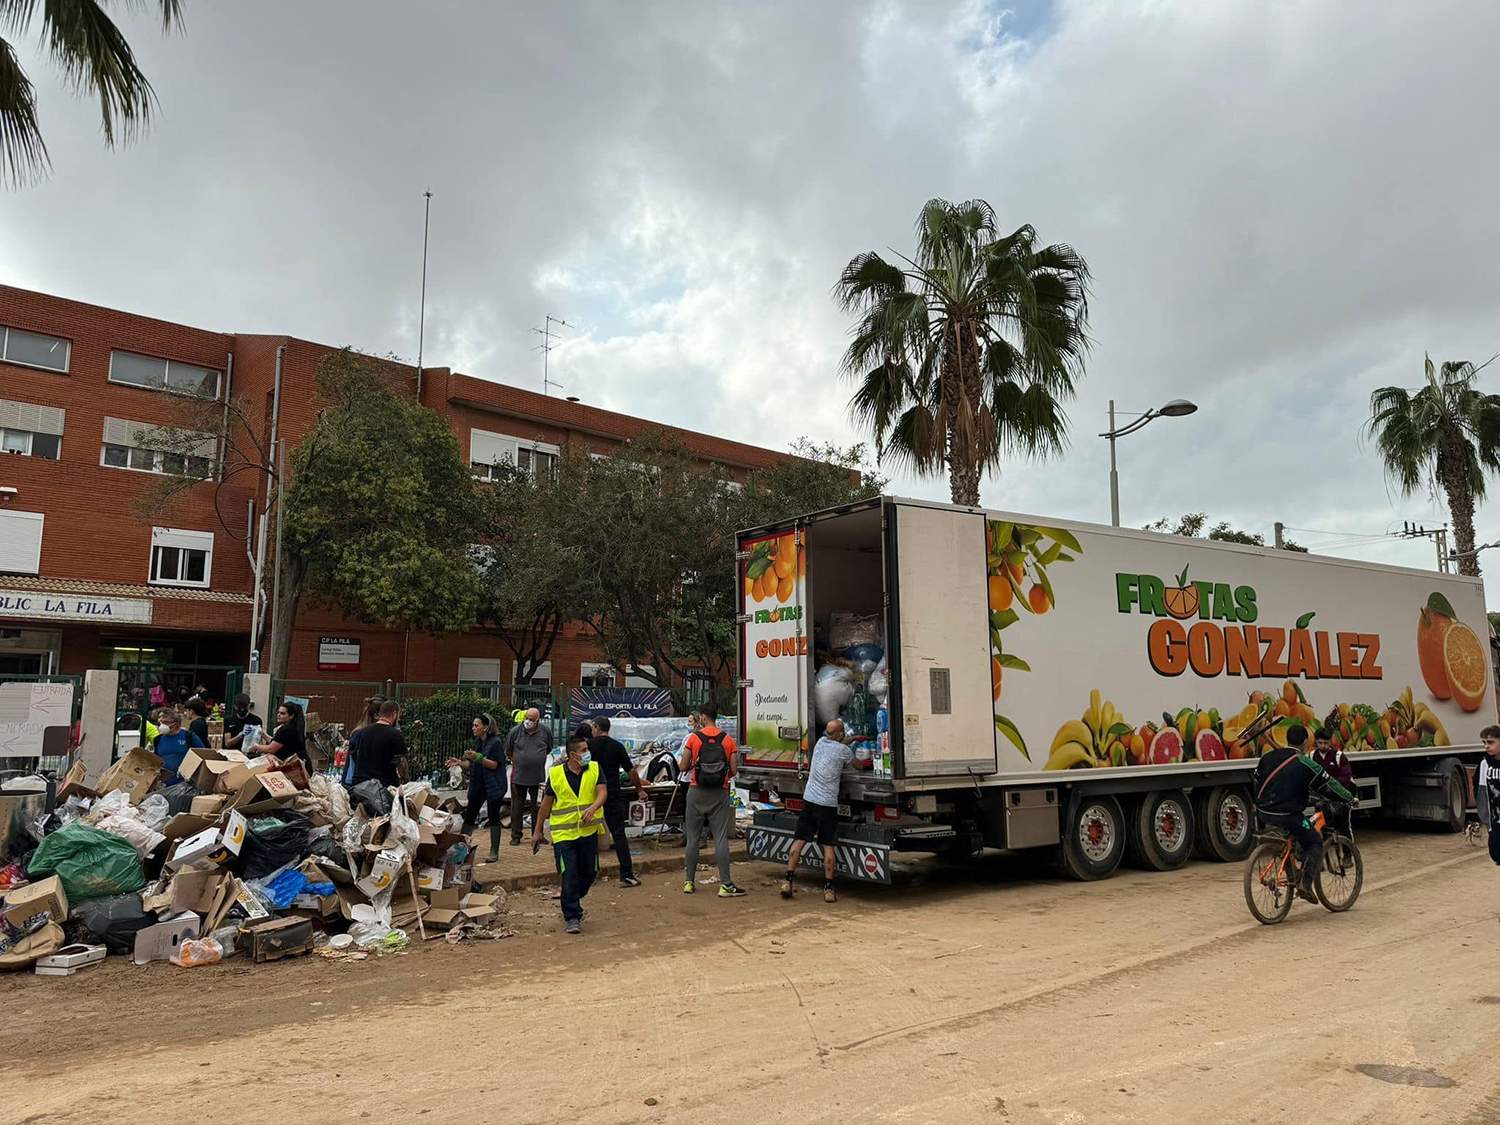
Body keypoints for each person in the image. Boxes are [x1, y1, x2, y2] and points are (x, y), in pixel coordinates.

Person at [1253, 725, 1353, 901]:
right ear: (1306, 742)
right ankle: (1305, 885)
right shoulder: (1305, 762)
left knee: (1296, 834)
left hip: (1263, 811)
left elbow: (1256, 778)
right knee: (1314, 841)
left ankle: (1292, 865)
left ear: (1287, 739)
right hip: (1287, 815)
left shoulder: (1267, 757)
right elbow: (1328, 784)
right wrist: (1348, 797)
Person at [532, 733, 608, 934]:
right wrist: (538, 830)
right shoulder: (556, 775)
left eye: (587, 749)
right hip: (563, 835)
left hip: (588, 832)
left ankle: (574, 895)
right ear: (572, 755)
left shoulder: (594, 768)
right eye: (583, 750)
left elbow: (602, 792)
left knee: (589, 873)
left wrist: (592, 808)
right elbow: (545, 805)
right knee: (569, 874)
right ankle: (572, 916)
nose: (587, 753)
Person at [780, 719, 854, 904]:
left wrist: (849, 740)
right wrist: (853, 745)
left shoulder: (821, 743)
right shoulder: (844, 752)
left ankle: (788, 881)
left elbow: (835, 744)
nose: (844, 734)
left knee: (799, 841)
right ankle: (829, 888)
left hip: (809, 800)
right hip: (827, 805)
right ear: (838, 734)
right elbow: (857, 764)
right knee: (828, 846)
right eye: (842, 731)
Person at [678, 705, 745, 897]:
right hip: (720, 793)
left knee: (693, 838)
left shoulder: (694, 738)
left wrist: (693, 764)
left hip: (696, 791)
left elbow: (683, 767)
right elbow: (733, 770)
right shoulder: (727, 740)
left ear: (703, 718)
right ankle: (726, 885)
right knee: (721, 838)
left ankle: (689, 882)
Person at [588, 716, 649, 887]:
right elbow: (631, 771)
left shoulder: (588, 746)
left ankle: (590, 874)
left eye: (593, 727)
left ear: (597, 727)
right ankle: (626, 874)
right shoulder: (617, 746)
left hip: (592, 795)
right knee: (619, 834)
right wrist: (639, 789)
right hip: (612, 793)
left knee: (589, 835)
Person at [449, 713, 508, 862]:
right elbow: (472, 764)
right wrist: (460, 763)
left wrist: (478, 757)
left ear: (486, 727)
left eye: (477, 725)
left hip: (493, 784)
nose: (473, 728)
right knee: (470, 814)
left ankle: (494, 851)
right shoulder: (478, 742)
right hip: (478, 783)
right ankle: (460, 848)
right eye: (473, 725)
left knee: (493, 815)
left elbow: (494, 764)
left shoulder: (495, 743)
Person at [505, 707, 553, 846]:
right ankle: (515, 835)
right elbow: (508, 750)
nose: (528, 721)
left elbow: (548, 748)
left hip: (537, 777)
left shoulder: (545, 731)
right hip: (518, 776)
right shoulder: (515, 732)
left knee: (537, 807)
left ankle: (537, 834)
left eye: (531, 719)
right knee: (516, 808)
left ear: (537, 720)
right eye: (526, 718)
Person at [353, 700, 408, 787]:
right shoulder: (395, 734)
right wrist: (405, 779)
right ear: (394, 713)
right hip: (384, 785)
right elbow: (401, 762)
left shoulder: (363, 732)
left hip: (362, 785)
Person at [151, 709, 204, 780]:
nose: (162, 725)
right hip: (164, 784)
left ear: (176, 724)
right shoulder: (158, 739)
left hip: (186, 783)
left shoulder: (189, 737)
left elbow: (203, 754)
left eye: (165, 722)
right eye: (160, 722)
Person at [257, 700, 311, 770]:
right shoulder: (293, 727)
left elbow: (271, 749)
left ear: (291, 716)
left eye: (282, 713)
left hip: (296, 768)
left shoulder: (286, 729)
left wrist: (256, 746)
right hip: (300, 766)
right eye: (278, 712)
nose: (278, 715)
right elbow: (278, 742)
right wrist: (264, 735)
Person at [344, 696, 383, 785]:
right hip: (363, 783)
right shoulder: (363, 734)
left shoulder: (357, 732)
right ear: (376, 716)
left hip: (355, 781)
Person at [1479, 725, 1500, 867]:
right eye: (1484, 742)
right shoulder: (1485, 764)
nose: (1486, 746)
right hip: (1496, 825)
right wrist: (1487, 823)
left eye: (1491, 742)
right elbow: (1482, 794)